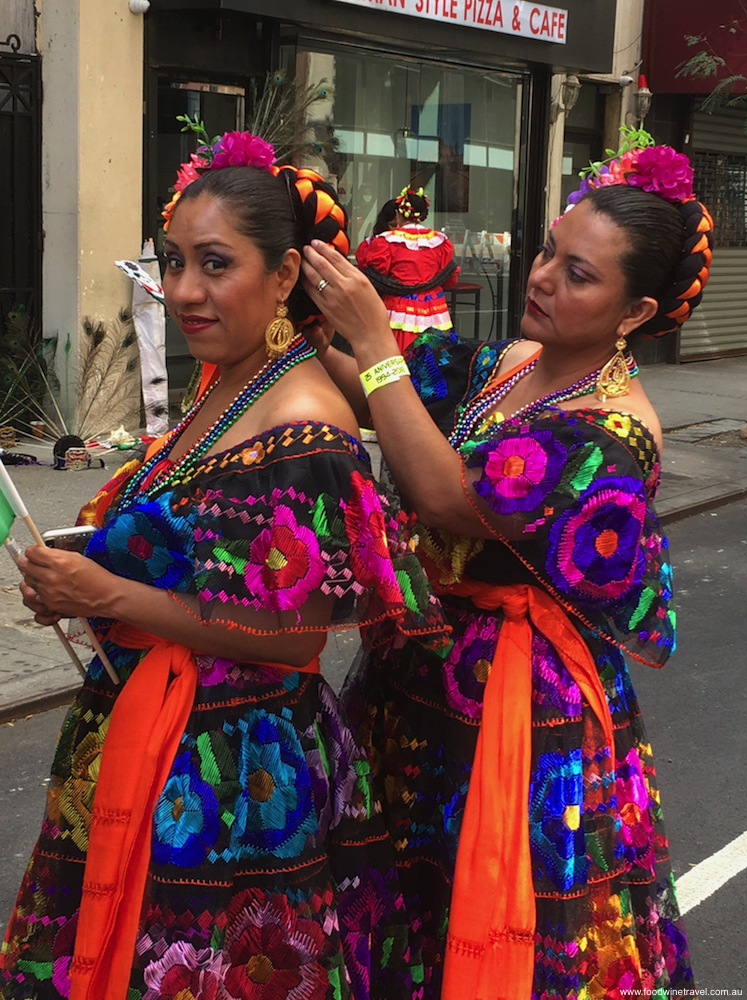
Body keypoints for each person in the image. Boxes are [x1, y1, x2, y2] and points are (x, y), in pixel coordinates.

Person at [0, 131, 445, 1000]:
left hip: (240, 775)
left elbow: (287, 637)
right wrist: (81, 574)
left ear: (285, 278)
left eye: (215, 264)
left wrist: (109, 590)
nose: (184, 292)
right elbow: (201, 562)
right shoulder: (229, 385)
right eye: (173, 264)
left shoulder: (307, 423)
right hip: (155, 732)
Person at [301, 139, 713, 997]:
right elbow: (390, 397)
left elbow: (447, 497)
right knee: (405, 886)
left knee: (491, 902)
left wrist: (374, 338)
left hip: (517, 706)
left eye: (579, 274)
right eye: (549, 252)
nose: (543, 277)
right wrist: (309, 332)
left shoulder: (614, 428)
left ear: (634, 313)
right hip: (418, 671)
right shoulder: (512, 363)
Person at [355, 187, 458, 354]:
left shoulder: (385, 241)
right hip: (435, 307)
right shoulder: (440, 241)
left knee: (396, 358)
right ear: (423, 215)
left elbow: (375, 274)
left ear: (398, 215)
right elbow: (451, 279)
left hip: (398, 308)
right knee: (434, 362)